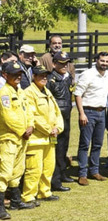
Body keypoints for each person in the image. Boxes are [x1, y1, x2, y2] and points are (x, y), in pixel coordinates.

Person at [22, 65, 64, 203]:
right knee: (34, 169)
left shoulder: (47, 91)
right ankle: (29, 196)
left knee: (48, 167)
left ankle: (44, 192)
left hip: (50, 139)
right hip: (36, 139)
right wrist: (48, 129)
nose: (44, 78)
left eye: (46, 75)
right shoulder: (28, 93)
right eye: (41, 75)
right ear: (34, 77)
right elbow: (33, 116)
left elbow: (57, 112)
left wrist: (58, 128)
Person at [0, 62, 36, 216]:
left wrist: (31, 126)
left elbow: (28, 110)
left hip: (22, 138)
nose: (18, 76)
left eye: (20, 73)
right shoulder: (4, 93)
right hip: (8, 138)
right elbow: (8, 117)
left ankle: (15, 201)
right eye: (14, 74)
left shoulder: (20, 91)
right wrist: (23, 130)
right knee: (5, 172)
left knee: (17, 170)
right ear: (5, 75)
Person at [73, 52, 108, 186]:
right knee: (85, 144)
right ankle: (82, 174)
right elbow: (78, 94)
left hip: (102, 112)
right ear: (96, 60)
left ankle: (94, 170)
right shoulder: (88, 74)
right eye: (102, 61)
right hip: (88, 111)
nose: (105, 63)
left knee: (98, 144)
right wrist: (81, 113)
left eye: (107, 61)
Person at [47, 52, 75, 191]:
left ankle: (62, 173)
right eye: (61, 63)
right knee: (56, 149)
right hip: (56, 119)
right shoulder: (50, 79)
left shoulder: (68, 77)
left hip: (67, 117)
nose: (64, 66)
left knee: (64, 146)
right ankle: (55, 181)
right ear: (54, 64)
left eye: (66, 63)